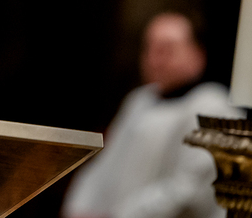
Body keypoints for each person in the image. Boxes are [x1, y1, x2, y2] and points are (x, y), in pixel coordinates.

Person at [62, 11, 244, 218]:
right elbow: (105, 167)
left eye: (167, 49)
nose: (157, 59)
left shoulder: (216, 109)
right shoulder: (139, 101)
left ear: (197, 54)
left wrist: (121, 215)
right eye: (151, 49)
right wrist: (79, 207)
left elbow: (192, 188)